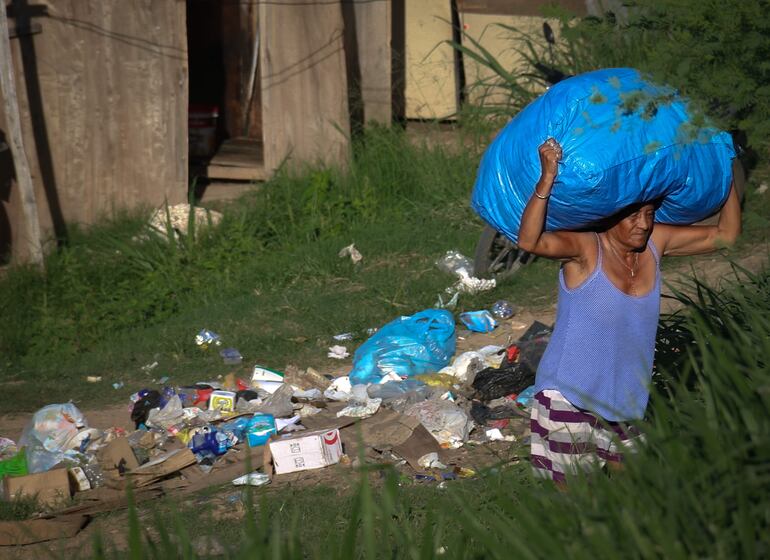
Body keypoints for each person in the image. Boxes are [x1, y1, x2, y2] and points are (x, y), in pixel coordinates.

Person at [517, 138, 742, 483]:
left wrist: (724, 173)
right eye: (633, 216)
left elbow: (726, 236)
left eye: (649, 214)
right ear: (609, 218)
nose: (643, 224)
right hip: (570, 395)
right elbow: (530, 241)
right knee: (577, 505)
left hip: (626, 398)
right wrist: (546, 180)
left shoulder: (656, 243)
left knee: (634, 494)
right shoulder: (586, 248)